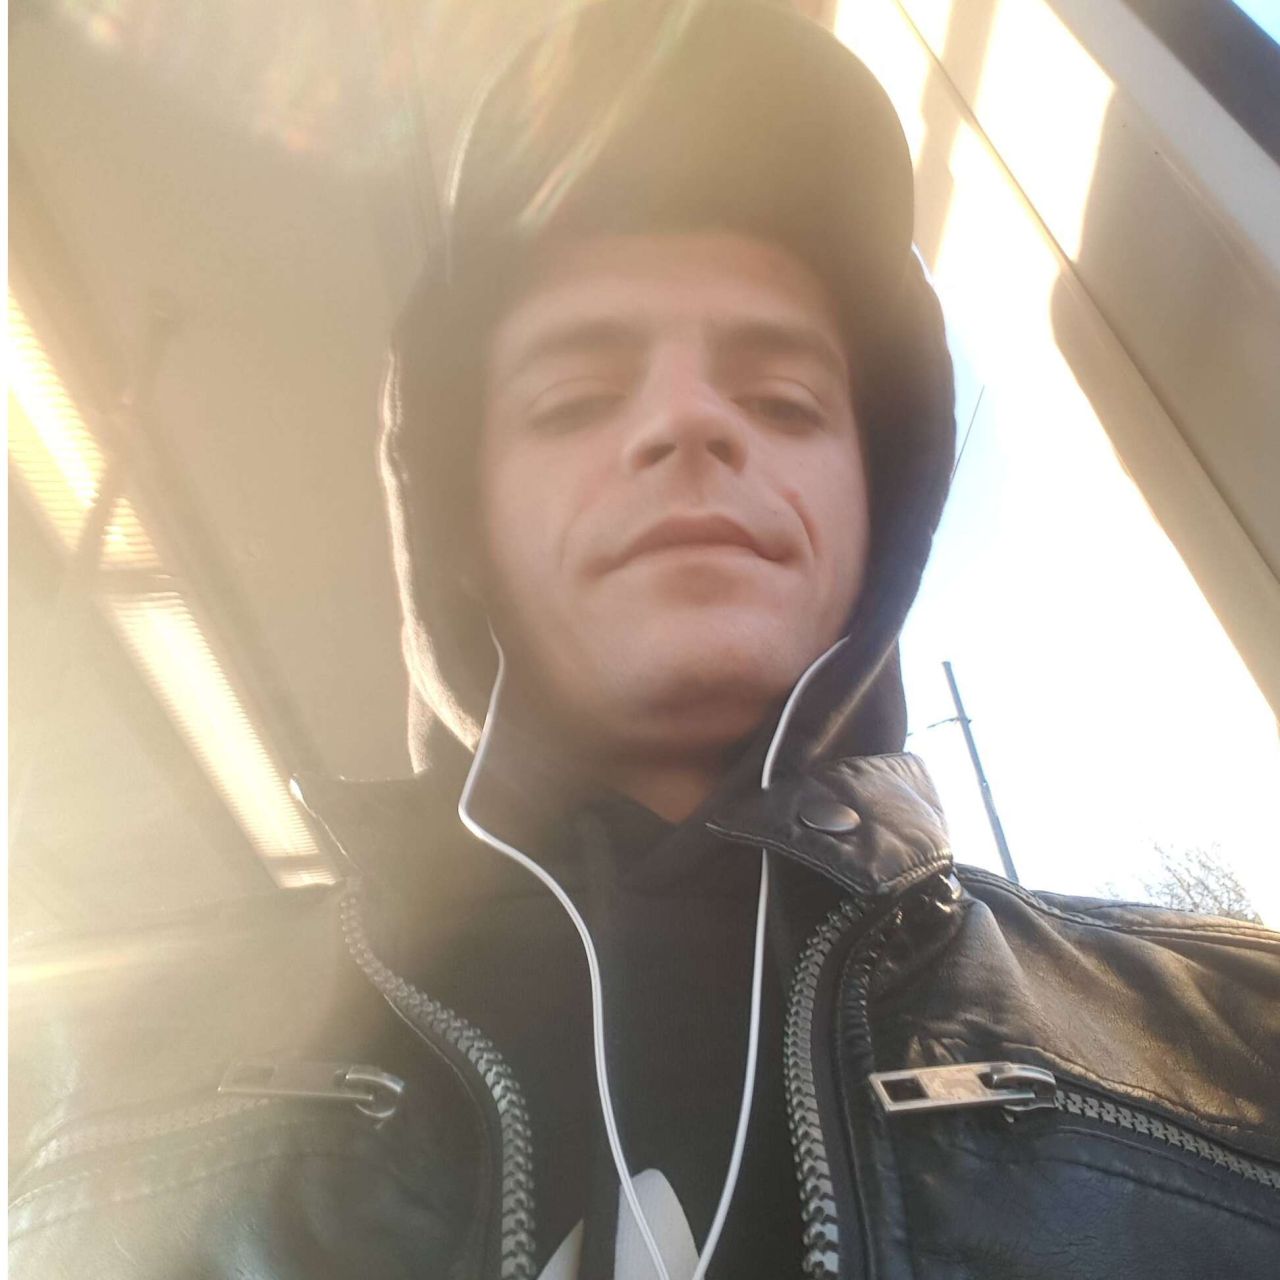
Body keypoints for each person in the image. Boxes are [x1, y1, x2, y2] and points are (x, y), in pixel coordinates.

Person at [9, 4, 1279, 1278]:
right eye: (574, 398)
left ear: (876, 504)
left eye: (780, 398)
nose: (686, 420)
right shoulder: (56, 1073)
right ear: (459, 519)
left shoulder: (1236, 1043)